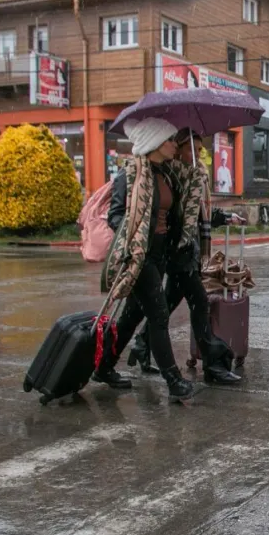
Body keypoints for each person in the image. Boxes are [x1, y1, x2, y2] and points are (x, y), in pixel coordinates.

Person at [97, 117, 210, 403]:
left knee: (132, 316)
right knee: (158, 315)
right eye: (171, 140)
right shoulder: (131, 175)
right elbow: (115, 216)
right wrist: (135, 240)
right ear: (156, 143)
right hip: (139, 255)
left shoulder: (168, 173)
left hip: (160, 254)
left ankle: (102, 367)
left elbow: (182, 207)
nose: (175, 144)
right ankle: (173, 379)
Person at [125, 130, 244, 385]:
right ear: (180, 148)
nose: (199, 154)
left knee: (166, 304)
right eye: (194, 148)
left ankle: (142, 344)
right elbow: (175, 213)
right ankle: (212, 364)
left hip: (183, 250)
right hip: (174, 251)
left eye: (201, 150)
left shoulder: (193, 174)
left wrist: (225, 217)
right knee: (199, 303)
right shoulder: (173, 174)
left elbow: (200, 212)